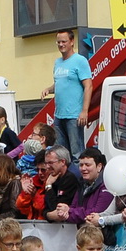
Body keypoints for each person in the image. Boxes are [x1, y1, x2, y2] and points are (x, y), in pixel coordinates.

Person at [44, 29, 94, 158]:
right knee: (61, 155)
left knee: (77, 153)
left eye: (64, 41)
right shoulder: (57, 62)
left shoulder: (80, 61)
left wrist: (84, 111)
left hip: (74, 115)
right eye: (58, 42)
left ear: (72, 42)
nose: (61, 45)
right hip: (59, 115)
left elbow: (88, 86)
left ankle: (80, 177)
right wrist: (49, 89)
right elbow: (60, 83)